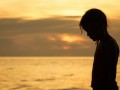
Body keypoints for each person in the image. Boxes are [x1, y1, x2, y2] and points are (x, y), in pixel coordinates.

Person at [79, 8, 119, 90]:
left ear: (98, 26)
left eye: (89, 30)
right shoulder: (101, 44)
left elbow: (110, 75)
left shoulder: (109, 44)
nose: (88, 34)